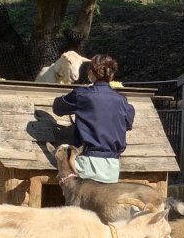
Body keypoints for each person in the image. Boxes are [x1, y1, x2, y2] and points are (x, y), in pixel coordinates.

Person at [52, 53, 135, 183]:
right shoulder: (122, 101)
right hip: (112, 166)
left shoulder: (82, 95)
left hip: (87, 162)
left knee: (81, 201)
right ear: (111, 75)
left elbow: (57, 107)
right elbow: (128, 122)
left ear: (91, 72)